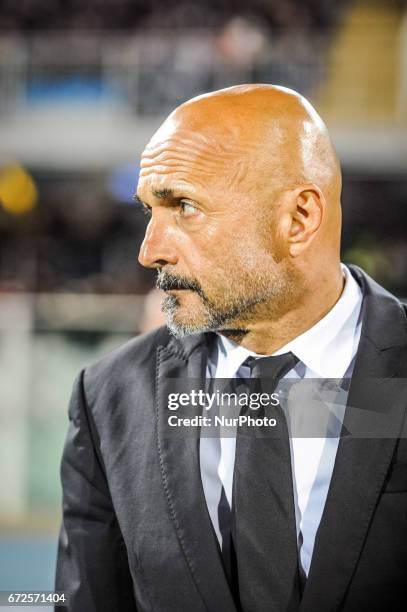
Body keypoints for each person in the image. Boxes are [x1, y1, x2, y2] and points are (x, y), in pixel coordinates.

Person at [55, 85, 407, 612]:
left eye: (185, 207)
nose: (149, 251)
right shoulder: (108, 399)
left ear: (299, 219)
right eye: (150, 210)